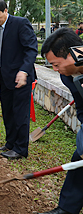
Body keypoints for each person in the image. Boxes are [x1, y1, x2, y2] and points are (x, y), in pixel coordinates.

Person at [0, 0, 38, 159]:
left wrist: (24, 71)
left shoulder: (20, 23)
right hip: (3, 78)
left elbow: (31, 49)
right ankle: (10, 143)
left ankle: (20, 149)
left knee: (20, 114)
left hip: (20, 78)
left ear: (5, 11)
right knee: (8, 113)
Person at [39, 28, 83, 214]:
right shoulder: (68, 76)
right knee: (79, 158)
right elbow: (81, 107)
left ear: (72, 54)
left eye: (56, 64)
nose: (55, 70)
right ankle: (66, 209)